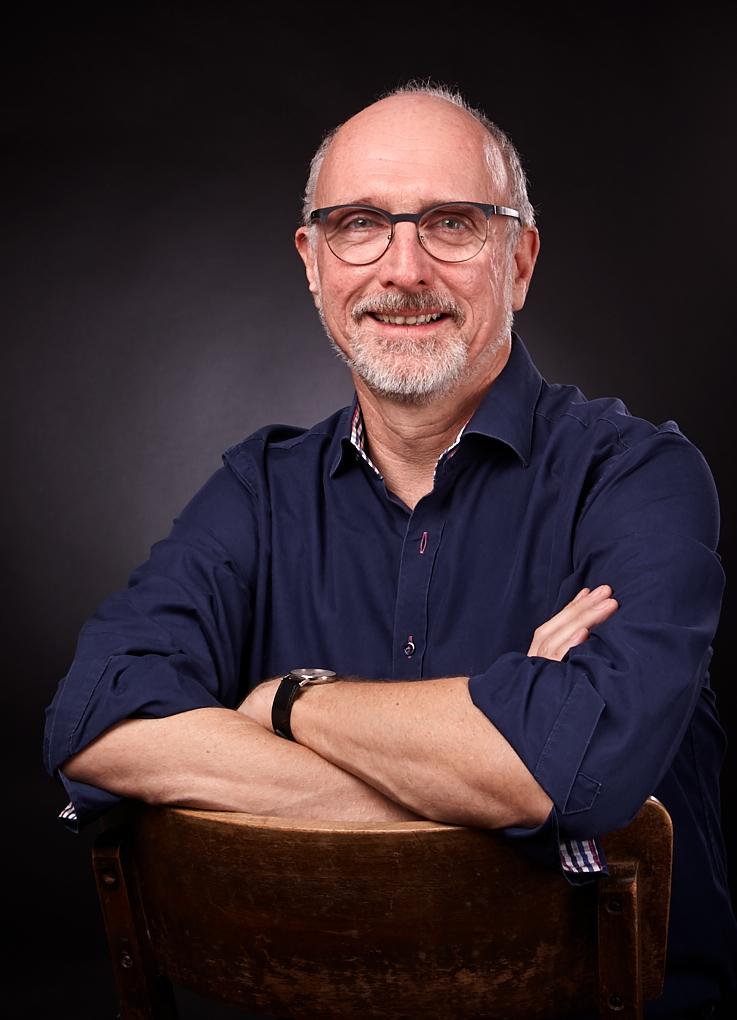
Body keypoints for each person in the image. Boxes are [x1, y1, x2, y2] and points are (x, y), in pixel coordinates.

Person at [44, 84, 736, 1015]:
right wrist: (488, 781)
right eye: (360, 224)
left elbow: (583, 769)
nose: (403, 270)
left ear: (519, 260)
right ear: (313, 261)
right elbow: (95, 719)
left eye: (452, 223)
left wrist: (289, 702)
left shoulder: (638, 479)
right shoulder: (256, 492)